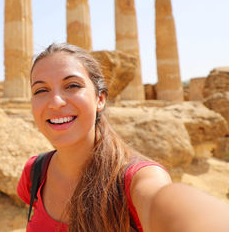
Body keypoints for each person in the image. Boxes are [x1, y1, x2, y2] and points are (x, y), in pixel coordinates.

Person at [17, 43, 229, 232]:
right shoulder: (35, 173)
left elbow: (162, 201)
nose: (55, 102)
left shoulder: (137, 179)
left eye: (72, 85)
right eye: (41, 90)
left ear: (100, 99)